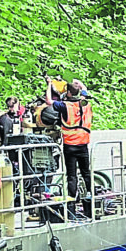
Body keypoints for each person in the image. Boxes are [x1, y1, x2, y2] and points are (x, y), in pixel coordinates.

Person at [45, 76, 92, 216]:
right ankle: (90, 195)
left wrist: (49, 84)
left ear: (69, 94)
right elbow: (85, 92)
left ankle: (71, 202)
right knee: (86, 172)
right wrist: (80, 84)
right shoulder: (86, 103)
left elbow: (48, 101)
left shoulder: (65, 106)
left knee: (72, 176)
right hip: (83, 144)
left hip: (70, 145)